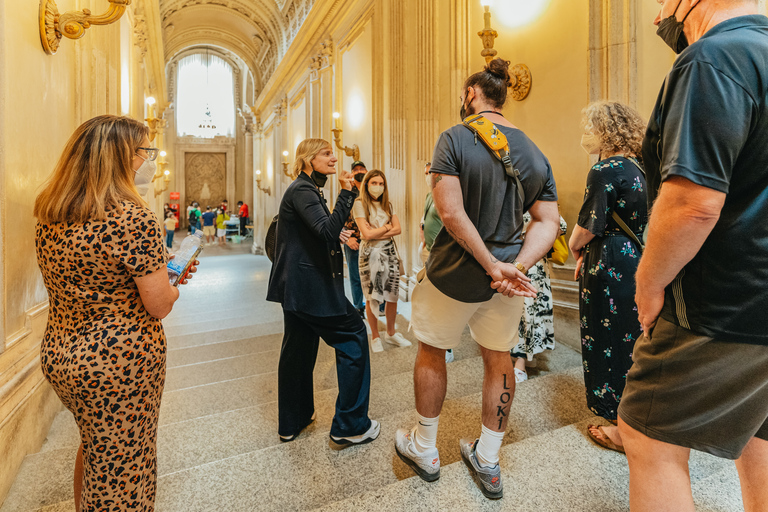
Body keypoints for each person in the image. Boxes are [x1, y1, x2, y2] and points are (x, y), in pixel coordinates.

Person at [617, 3, 768, 511]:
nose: (658, 13)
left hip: (725, 301)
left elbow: (692, 203)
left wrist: (649, 281)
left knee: (649, 435)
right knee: (761, 432)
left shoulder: (714, 58)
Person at [395, 58, 560, 499]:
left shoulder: (454, 137)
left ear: (471, 94)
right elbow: (548, 222)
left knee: (432, 351)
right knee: (499, 358)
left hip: (453, 273)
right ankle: (487, 458)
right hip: (506, 280)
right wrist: (515, 268)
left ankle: (425, 448)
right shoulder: (533, 151)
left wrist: (489, 264)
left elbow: (450, 213)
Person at [33, 115, 197, 511]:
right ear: (120, 157)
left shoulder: (51, 214)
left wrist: (155, 266)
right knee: (125, 471)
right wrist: (172, 282)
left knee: (95, 449)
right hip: (119, 362)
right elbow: (158, 305)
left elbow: (94, 275)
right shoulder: (131, 217)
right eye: (145, 152)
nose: (148, 161)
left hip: (62, 353)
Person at [267, 138, 379, 447]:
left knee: (298, 351)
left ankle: (293, 421)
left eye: (333, 152)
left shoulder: (307, 189)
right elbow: (327, 231)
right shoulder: (303, 190)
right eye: (326, 154)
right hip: (310, 288)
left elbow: (320, 231)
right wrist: (347, 192)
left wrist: (336, 221)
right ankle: (351, 424)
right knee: (354, 336)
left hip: (298, 287)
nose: (333, 158)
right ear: (307, 160)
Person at [567, 101, 647, 453]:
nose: (586, 134)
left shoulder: (605, 169)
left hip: (609, 260)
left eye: (590, 127)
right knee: (630, 338)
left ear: (607, 131)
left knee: (606, 336)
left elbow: (588, 225)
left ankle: (617, 421)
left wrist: (574, 247)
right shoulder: (641, 168)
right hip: (637, 259)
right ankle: (638, 416)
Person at [354, 169, 411, 352]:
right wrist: (387, 227)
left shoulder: (388, 205)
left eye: (381, 184)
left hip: (389, 252)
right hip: (369, 254)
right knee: (372, 296)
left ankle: (391, 333)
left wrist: (378, 230)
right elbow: (366, 234)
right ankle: (375, 336)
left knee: (392, 295)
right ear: (366, 184)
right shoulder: (359, 204)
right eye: (374, 183)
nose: (378, 187)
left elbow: (398, 229)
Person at [511, 212, 568, 382]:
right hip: (521, 262)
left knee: (525, 313)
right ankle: (523, 356)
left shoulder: (533, 201)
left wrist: (535, 244)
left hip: (528, 265)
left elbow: (560, 225)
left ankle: (520, 364)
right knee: (520, 312)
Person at [419, 162, 454, 364]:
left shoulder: (445, 194)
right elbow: (424, 221)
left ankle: (447, 346)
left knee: (444, 303)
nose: (428, 177)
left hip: (443, 255)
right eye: (425, 173)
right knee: (432, 302)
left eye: (431, 173)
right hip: (430, 253)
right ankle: (436, 341)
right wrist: (423, 242)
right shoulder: (428, 195)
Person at [344, 161, 368, 317]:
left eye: (361, 169)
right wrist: (347, 239)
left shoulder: (372, 191)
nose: (359, 171)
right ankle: (358, 306)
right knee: (355, 276)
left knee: (376, 273)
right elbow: (338, 219)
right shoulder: (347, 193)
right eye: (356, 170)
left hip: (371, 240)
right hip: (353, 241)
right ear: (351, 174)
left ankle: (380, 306)